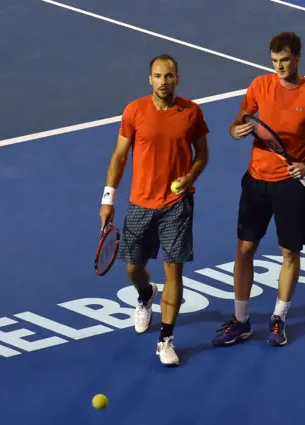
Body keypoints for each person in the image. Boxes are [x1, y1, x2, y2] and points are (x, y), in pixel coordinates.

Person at [211, 32, 305, 347]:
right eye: (274, 61)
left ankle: (278, 319)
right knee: (244, 250)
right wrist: (237, 131)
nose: (280, 67)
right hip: (256, 181)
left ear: (298, 57)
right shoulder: (260, 85)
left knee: (289, 253)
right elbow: (237, 123)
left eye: (285, 60)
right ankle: (241, 320)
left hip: (290, 186)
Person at [100, 54, 210, 366]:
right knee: (133, 268)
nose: (164, 81)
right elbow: (120, 155)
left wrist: (190, 176)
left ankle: (166, 339)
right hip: (140, 203)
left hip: (177, 204)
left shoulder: (191, 113)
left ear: (177, 78)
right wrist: (108, 199)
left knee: (173, 271)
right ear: (150, 79)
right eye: (158, 76)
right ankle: (147, 295)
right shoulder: (134, 111)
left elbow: (202, 154)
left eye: (169, 76)